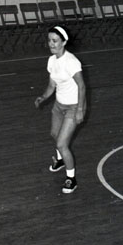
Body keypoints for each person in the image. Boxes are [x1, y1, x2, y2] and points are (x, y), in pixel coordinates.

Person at [34, 26, 86, 194]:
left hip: (73, 106)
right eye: (49, 40)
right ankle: (60, 160)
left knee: (62, 144)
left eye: (55, 41)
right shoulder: (52, 60)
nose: (51, 43)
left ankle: (71, 178)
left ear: (64, 42)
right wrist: (43, 97)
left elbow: (82, 86)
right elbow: (52, 84)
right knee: (54, 134)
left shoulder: (71, 62)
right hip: (58, 105)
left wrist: (80, 110)